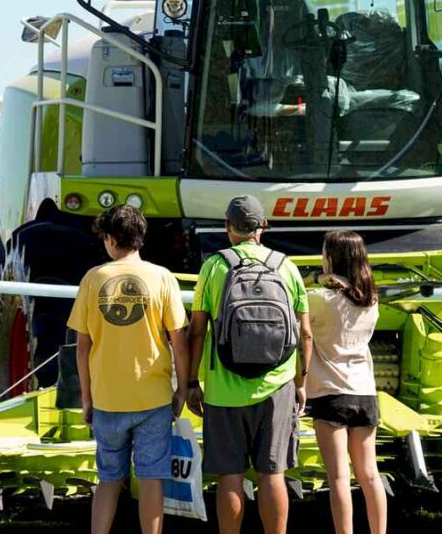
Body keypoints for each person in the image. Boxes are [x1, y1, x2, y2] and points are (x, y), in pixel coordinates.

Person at [186, 195, 312, 534]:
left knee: (230, 476)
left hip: (224, 390)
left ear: (228, 228)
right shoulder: (286, 266)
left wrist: (190, 383)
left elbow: (197, 331)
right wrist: (301, 382)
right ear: (264, 227)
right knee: (273, 475)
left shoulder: (214, 266)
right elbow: (306, 334)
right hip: (277, 388)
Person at [67, 205, 189, 534]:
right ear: (140, 237)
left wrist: (87, 398)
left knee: (108, 480)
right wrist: (182, 389)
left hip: (107, 398)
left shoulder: (93, 279)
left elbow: (83, 346)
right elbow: (179, 340)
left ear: (109, 239)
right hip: (152, 397)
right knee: (151, 480)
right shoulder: (163, 277)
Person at [308, 230, 385, 534]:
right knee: (370, 474)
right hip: (365, 391)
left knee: (339, 477)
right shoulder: (371, 301)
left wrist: (319, 281)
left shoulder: (320, 299)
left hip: (331, 393)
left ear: (331, 258)